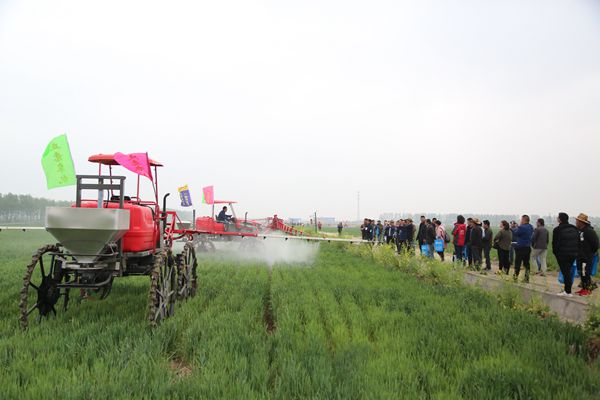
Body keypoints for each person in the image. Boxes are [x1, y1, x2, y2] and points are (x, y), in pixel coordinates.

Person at [552, 212, 579, 297]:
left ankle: (568, 291)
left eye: (558, 217)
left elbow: (555, 243)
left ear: (560, 219)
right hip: (573, 254)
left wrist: (556, 253)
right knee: (568, 271)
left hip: (562, 254)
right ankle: (567, 290)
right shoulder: (574, 228)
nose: (557, 218)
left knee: (566, 272)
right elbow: (578, 241)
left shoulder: (557, 229)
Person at [574, 213, 599, 296]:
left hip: (586, 257)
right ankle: (584, 288)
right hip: (580, 256)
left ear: (581, 222)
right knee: (581, 273)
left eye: (577, 221)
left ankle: (587, 289)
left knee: (585, 273)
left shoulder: (589, 231)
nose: (576, 223)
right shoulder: (581, 231)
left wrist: (589, 253)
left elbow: (596, 244)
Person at [512, 215, 534, 283]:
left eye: (521, 219)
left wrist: (515, 227)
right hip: (528, 247)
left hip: (520, 247)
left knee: (517, 263)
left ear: (524, 220)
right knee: (526, 264)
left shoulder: (522, 227)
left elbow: (516, 233)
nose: (520, 220)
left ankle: (515, 278)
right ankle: (526, 278)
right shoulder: (531, 226)